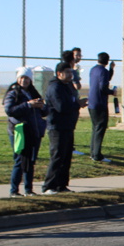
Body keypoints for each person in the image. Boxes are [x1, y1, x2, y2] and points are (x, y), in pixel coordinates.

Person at [42, 62, 87, 194]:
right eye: (67, 72)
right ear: (59, 74)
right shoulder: (54, 87)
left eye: (70, 72)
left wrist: (77, 103)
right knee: (57, 156)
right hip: (57, 126)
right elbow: (61, 107)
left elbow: (71, 101)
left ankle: (61, 186)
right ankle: (49, 186)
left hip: (68, 126)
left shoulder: (67, 86)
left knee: (66, 157)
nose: (70, 74)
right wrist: (77, 104)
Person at [3, 67, 47, 197]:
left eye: (27, 78)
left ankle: (28, 190)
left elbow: (44, 112)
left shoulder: (33, 93)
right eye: (22, 78)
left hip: (34, 131)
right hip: (20, 132)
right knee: (20, 160)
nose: (24, 80)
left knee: (31, 161)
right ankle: (14, 191)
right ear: (17, 79)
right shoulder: (13, 93)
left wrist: (42, 106)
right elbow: (10, 110)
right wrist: (28, 105)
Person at [87, 52, 115, 163]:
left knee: (95, 128)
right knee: (100, 128)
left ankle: (93, 152)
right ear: (107, 61)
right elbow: (103, 87)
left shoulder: (93, 69)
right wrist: (112, 92)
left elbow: (107, 78)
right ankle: (97, 155)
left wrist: (111, 69)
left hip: (92, 103)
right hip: (100, 103)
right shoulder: (103, 71)